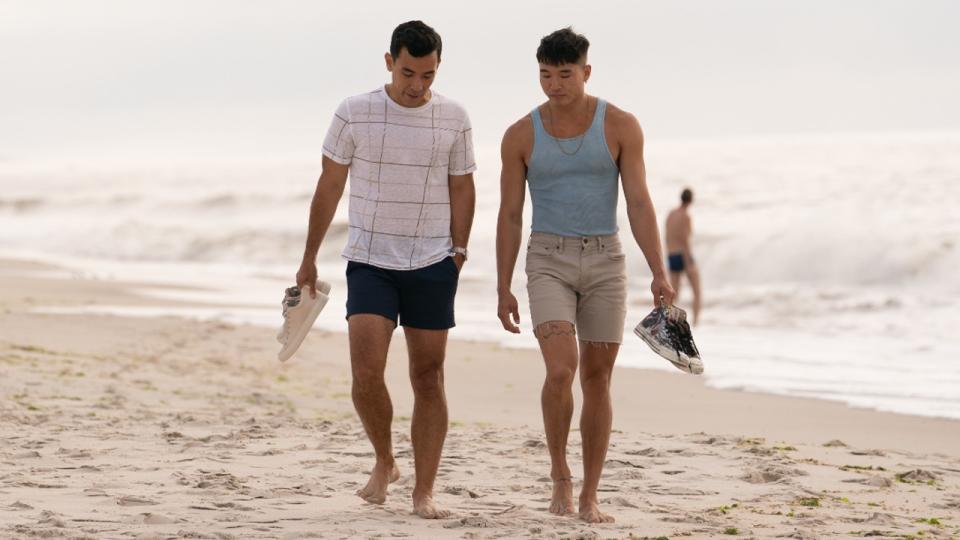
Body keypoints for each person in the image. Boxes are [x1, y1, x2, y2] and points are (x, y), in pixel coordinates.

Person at [295, 20, 476, 519]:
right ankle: (384, 460)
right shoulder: (355, 113)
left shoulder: (454, 118)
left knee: (428, 375)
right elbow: (329, 185)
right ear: (388, 61)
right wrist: (309, 256)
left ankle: (424, 491)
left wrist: (457, 253)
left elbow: (462, 186)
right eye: (408, 72)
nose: (417, 85)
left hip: (432, 262)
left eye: (428, 75)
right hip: (371, 260)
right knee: (366, 374)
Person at [495, 27, 675, 524]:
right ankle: (560, 475)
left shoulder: (620, 125)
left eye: (565, 74)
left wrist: (659, 271)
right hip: (547, 257)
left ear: (586, 72)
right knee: (560, 371)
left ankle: (591, 493)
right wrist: (502, 283)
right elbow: (510, 214)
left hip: (606, 260)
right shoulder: (520, 134)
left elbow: (639, 202)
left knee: (598, 380)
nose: (554, 85)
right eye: (545, 75)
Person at [665, 188, 701, 325]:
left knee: (674, 293)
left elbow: (667, 236)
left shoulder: (671, 214)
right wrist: (688, 262)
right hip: (683, 255)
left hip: (672, 255)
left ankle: (668, 321)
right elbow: (685, 239)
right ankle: (696, 323)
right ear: (691, 200)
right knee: (697, 291)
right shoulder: (686, 216)